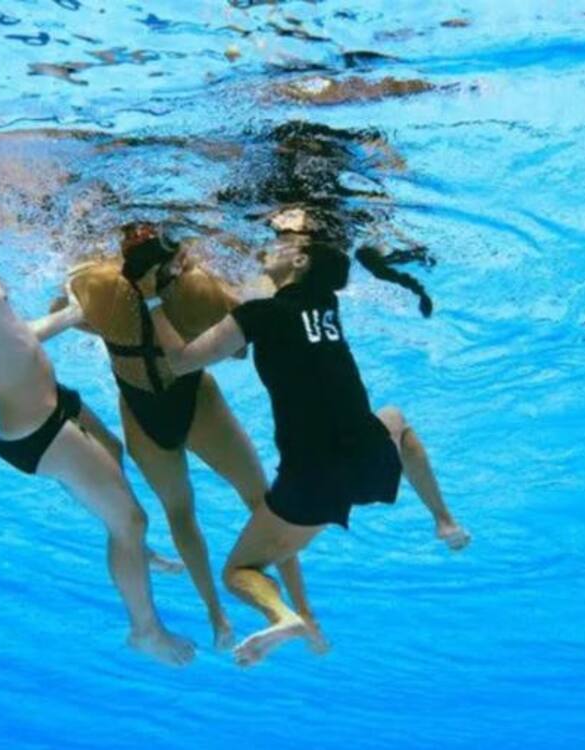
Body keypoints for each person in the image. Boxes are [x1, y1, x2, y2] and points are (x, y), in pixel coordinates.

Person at [0, 195, 194, 666]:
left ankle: (135, 552)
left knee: (113, 450)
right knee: (130, 521)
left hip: (51, 402)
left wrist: (71, 315)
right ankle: (145, 631)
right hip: (35, 429)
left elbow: (15, 335)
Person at [151, 236, 470, 667]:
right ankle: (445, 521)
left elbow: (181, 361)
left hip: (311, 482)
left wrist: (155, 308)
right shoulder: (326, 307)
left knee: (238, 572)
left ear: (301, 260)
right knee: (395, 419)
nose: (270, 244)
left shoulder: (260, 315)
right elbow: (280, 301)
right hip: (366, 458)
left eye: (284, 242)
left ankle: (283, 616)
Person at [64, 223, 319, 650]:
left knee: (181, 513)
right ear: (175, 258)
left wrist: (115, 332)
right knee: (261, 500)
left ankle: (218, 617)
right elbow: (239, 348)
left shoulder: (98, 283)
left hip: (142, 408)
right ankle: (300, 610)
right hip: (195, 399)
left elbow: (67, 312)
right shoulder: (198, 287)